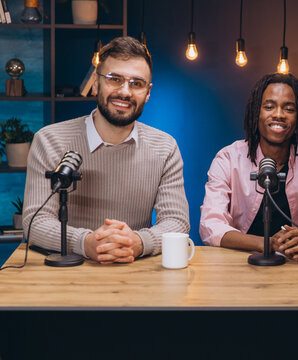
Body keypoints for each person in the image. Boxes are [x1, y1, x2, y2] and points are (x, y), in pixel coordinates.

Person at [22, 36, 190, 264]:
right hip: (66, 272)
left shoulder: (165, 147)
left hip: (134, 271)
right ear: (96, 82)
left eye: (136, 84)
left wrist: (138, 242)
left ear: (148, 93)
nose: (125, 92)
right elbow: (36, 221)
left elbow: (177, 221)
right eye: (114, 79)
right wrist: (85, 242)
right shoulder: (50, 140)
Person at [200, 73, 298, 261]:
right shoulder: (228, 158)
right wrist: (265, 243)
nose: (278, 114)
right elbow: (211, 224)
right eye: (269, 107)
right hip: (240, 263)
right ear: (256, 112)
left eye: (289, 109)